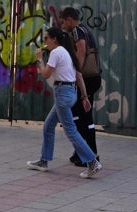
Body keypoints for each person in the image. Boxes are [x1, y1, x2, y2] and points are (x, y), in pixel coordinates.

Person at [26, 25, 102, 178]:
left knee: (70, 130)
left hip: (62, 94)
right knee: (48, 126)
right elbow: (78, 76)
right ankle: (44, 160)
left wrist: (40, 59)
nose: (44, 41)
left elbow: (46, 74)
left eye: (46, 38)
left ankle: (92, 161)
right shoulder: (67, 53)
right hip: (70, 92)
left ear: (54, 39)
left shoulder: (55, 52)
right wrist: (84, 97)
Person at [58, 6, 100, 167]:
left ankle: (91, 156)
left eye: (63, 22)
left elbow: (81, 50)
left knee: (82, 118)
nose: (62, 26)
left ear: (69, 19)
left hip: (87, 79)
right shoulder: (85, 29)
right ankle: (81, 153)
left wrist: (76, 71)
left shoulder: (76, 31)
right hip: (93, 78)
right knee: (81, 117)